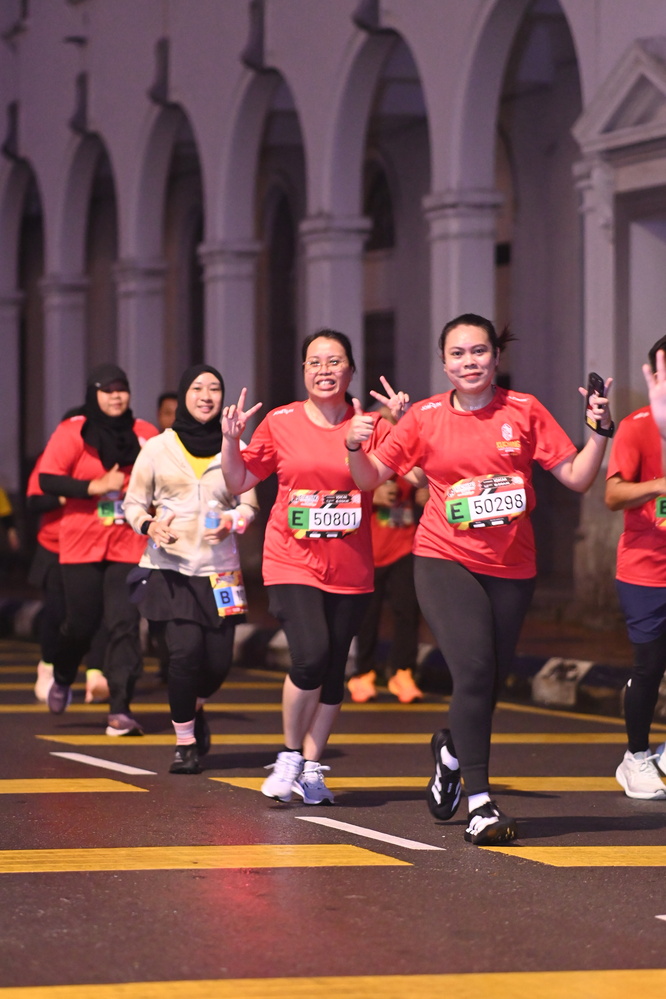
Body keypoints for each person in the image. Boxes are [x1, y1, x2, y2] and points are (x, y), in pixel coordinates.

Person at [346, 312, 613, 845]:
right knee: (472, 668)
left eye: (479, 351)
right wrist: (355, 445)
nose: (469, 362)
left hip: (513, 567)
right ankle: (481, 803)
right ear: (443, 363)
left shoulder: (525, 410)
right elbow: (369, 478)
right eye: (458, 354)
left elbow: (578, 478)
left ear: (496, 356)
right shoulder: (424, 417)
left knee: (488, 682)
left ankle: (451, 750)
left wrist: (598, 431)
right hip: (443, 556)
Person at [221, 329, 409, 805]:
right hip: (292, 559)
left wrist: (405, 426)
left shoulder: (370, 424)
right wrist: (231, 441)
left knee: (333, 667)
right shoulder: (281, 422)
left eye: (335, 361)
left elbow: (412, 472)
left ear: (351, 370)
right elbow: (239, 479)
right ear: (303, 370)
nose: (324, 370)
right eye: (315, 362)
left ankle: (311, 766)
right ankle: (288, 755)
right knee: (310, 655)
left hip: (351, 565)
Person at [124, 364, 258, 774]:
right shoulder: (157, 448)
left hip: (221, 572)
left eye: (214, 388)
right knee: (183, 656)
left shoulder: (235, 445)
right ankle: (185, 744)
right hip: (170, 569)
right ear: (184, 395)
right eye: (198, 388)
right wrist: (149, 525)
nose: (206, 396)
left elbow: (250, 506)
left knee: (217, 665)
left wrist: (232, 521)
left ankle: (193, 706)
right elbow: (132, 503)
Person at [38, 364, 159, 734]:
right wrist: (93, 487)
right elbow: (47, 479)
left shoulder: (145, 434)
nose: (115, 396)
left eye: (121, 389)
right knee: (81, 623)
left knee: (124, 624)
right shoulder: (73, 430)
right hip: (81, 543)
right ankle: (63, 674)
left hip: (129, 543)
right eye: (107, 390)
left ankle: (120, 708)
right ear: (94, 394)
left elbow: (168, 476)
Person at [606, 337, 666, 800]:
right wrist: (660, 484)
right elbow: (613, 495)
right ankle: (636, 757)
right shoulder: (637, 426)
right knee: (649, 667)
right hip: (647, 569)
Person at [348, 405, 425, 704]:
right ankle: (363, 673)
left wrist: (427, 490)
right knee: (367, 614)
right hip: (367, 548)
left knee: (408, 610)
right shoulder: (360, 453)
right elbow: (341, 488)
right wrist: (372, 494)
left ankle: (403, 672)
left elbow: (426, 484)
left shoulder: (408, 453)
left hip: (405, 544)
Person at [27, 440, 109, 705]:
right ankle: (48, 666)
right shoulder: (51, 457)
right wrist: (72, 492)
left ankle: (96, 673)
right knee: (57, 612)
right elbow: (34, 501)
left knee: (100, 611)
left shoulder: (108, 455)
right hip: (55, 547)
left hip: (94, 545)